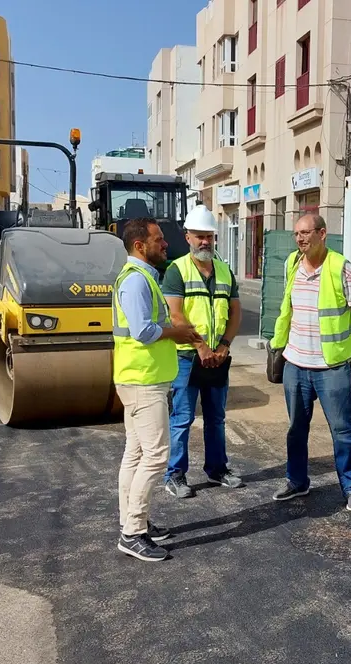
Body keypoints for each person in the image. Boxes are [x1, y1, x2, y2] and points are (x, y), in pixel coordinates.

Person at [112, 217, 202, 562]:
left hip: (141, 378)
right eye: (159, 240)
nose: (165, 245)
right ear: (140, 245)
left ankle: (134, 522)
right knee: (156, 456)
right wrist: (175, 332)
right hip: (142, 382)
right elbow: (142, 332)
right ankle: (133, 532)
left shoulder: (144, 277)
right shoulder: (136, 282)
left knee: (136, 454)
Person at [269, 213, 351, 512]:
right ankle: (297, 481)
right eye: (296, 234)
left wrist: (333, 339)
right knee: (295, 428)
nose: (300, 238)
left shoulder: (342, 268)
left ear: (322, 234)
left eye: (306, 233)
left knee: (343, 430)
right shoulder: (290, 264)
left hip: (331, 366)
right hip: (295, 364)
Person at [160, 204, 245, 498]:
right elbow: (175, 315)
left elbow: (235, 314)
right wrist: (201, 346)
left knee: (216, 417)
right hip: (186, 357)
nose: (205, 241)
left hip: (217, 358)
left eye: (209, 236)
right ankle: (175, 475)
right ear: (188, 238)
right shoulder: (177, 270)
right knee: (182, 417)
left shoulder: (224, 271)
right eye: (199, 236)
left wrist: (222, 346)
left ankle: (217, 469)